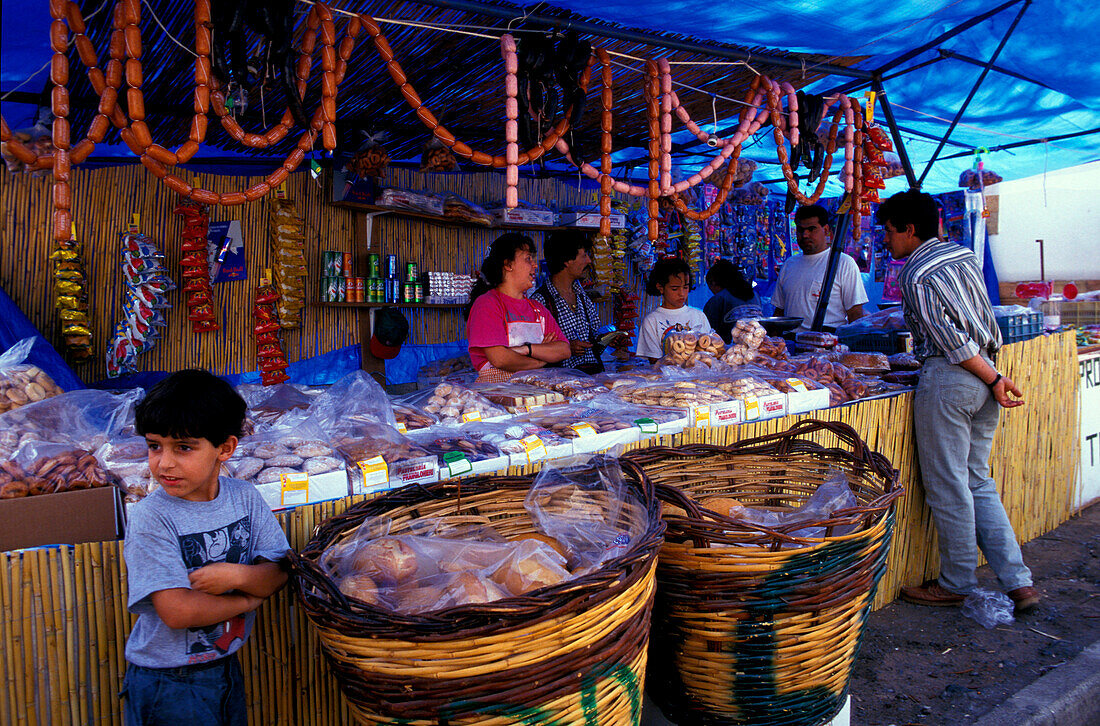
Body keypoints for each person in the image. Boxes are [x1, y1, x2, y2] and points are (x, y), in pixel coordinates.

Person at [876, 190, 1039, 615]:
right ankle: (1019, 582)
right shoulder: (962, 255)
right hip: (985, 372)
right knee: (976, 481)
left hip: (956, 377)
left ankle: (957, 581)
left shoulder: (915, 274)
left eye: (889, 232)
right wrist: (994, 376)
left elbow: (952, 342)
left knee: (949, 484)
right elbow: (982, 320)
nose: (886, 241)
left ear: (910, 230)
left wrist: (995, 378)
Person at [122, 369, 290, 725]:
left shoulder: (244, 498)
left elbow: (279, 571)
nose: (164, 462)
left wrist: (237, 574)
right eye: (154, 446)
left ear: (225, 448)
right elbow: (177, 610)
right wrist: (247, 598)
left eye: (183, 447)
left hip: (224, 665)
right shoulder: (151, 517)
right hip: (168, 682)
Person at [466, 232, 570, 382]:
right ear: (508, 264)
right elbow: (500, 359)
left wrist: (526, 349)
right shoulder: (487, 304)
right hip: (498, 393)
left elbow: (563, 350)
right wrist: (540, 361)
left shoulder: (537, 308)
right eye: (528, 259)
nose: (535, 265)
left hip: (535, 391)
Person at [771, 204, 868, 331]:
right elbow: (780, 311)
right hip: (791, 344)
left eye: (812, 229)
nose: (805, 235)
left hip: (828, 344)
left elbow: (855, 314)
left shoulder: (844, 263)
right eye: (800, 229)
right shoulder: (789, 265)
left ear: (826, 230)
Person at [530, 230, 606, 373]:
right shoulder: (540, 302)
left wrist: (607, 340)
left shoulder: (582, 296)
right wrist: (565, 347)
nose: (589, 261)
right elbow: (533, 349)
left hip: (592, 378)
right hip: (560, 384)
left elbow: (594, 336)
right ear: (566, 261)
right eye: (584, 256)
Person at [635, 257, 714, 362]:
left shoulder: (699, 316)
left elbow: (709, 353)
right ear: (660, 287)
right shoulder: (651, 321)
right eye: (674, 289)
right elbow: (655, 362)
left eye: (685, 287)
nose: (681, 293)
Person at [703, 259, 763, 343]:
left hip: (730, 351)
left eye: (710, 288)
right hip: (757, 345)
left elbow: (708, 333)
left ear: (713, 283)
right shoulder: (755, 295)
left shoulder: (718, 300)